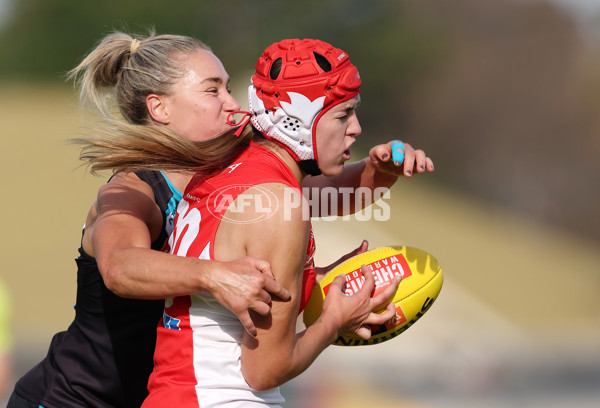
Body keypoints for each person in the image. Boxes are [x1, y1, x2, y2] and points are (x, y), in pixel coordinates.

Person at [8, 32, 432, 408]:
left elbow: (313, 200)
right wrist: (215, 275)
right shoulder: (133, 190)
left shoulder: (224, 173)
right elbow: (120, 268)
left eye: (230, 88)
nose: (232, 104)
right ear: (159, 107)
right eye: (213, 91)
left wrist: (383, 171)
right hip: (70, 398)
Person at [139, 38, 431, 407]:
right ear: (299, 119)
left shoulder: (233, 169)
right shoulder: (280, 204)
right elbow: (265, 370)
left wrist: (378, 171)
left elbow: (332, 195)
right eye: (343, 115)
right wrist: (334, 322)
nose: (356, 128)